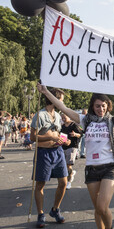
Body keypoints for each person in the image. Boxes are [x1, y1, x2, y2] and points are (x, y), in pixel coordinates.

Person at [37, 83, 114, 229]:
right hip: (92, 169)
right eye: (97, 106)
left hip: (110, 168)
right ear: (92, 107)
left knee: (102, 207)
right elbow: (63, 107)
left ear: (108, 106)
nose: (101, 109)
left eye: (103, 105)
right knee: (97, 210)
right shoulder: (85, 120)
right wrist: (45, 92)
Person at [30, 88, 69, 228]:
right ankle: (40, 214)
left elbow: (58, 134)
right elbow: (32, 137)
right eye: (61, 100)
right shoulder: (39, 115)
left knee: (63, 183)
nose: (62, 103)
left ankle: (55, 210)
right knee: (40, 185)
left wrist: (64, 140)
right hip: (43, 153)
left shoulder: (58, 116)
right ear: (54, 99)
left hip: (58, 152)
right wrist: (49, 136)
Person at [61, 113, 83, 190]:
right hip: (63, 146)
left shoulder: (74, 125)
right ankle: (71, 173)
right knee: (64, 165)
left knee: (68, 165)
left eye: (64, 117)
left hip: (72, 147)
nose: (63, 119)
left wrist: (75, 134)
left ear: (69, 116)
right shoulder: (62, 126)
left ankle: (69, 182)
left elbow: (81, 134)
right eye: (62, 117)